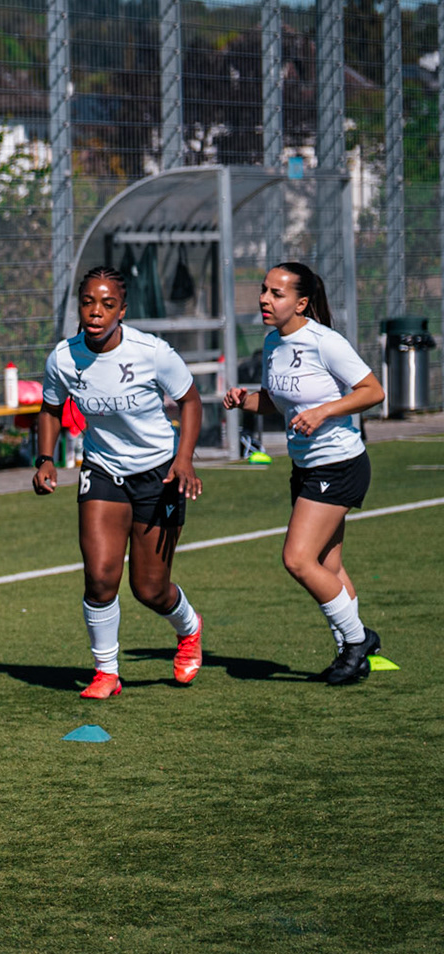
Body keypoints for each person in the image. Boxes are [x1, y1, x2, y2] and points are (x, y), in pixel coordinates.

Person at [34, 266, 205, 698]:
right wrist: (45, 460)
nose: (96, 311)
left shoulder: (152, 352)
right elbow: (51, 408)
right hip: (102, 472)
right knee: (100, 576)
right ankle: (106, 672)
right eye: (89, 302)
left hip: (159, 475)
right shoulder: (63, 357)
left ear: (122, 311)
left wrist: (183, 459)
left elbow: (190, 401)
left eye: (107, 304)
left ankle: (189, 628)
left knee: (149, 589)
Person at [222, 262, 386, 684]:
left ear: (301, 303)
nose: (264, 298)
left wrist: (324, 411)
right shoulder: (273, 342)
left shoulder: (325, 342)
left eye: (276, 293)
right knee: (328, 567)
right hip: (307, 466)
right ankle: (351, 652)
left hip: (340, 464)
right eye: (263, 290)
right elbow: (280, 403)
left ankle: (357, 640)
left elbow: (372, 391)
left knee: (297, 559)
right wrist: (247, 399)